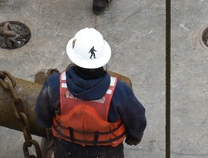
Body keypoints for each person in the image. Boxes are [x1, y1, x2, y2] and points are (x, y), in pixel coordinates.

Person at [35, 27, 147, 157]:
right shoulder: (119, 91)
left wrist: (46, 124)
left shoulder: (54, 84)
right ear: (103, 58)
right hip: (106, 152)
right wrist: (135, 135)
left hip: (67, 149)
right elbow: (136, 116)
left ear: (73, 57)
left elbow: (42, 111)